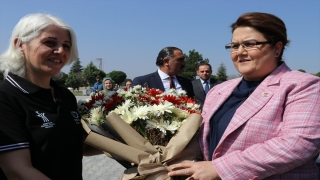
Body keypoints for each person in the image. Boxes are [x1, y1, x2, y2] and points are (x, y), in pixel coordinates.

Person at [168, 12, 320, 180]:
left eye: (250, 44)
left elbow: (298, 144)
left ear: (277, 48)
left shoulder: (303, 85)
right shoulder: (219, 91)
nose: (239, 52)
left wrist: (220, 169)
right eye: (234, 46)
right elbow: (204, 140)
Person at [0, 13, 101, 180]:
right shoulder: (6, 97)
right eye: (49, 42)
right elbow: (17, 170)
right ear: (20, 45)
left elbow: (79, 146)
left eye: (66, 45)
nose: (60, 50)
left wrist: (135, 140)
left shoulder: (65, 95)